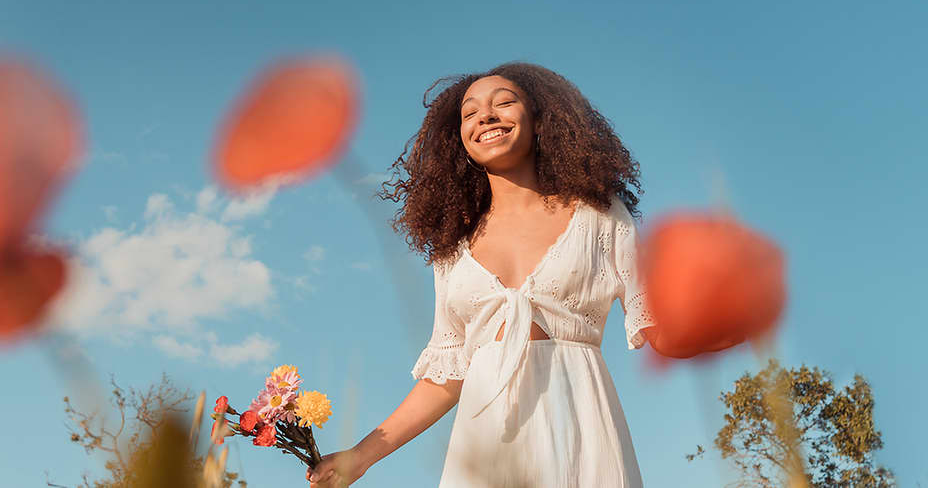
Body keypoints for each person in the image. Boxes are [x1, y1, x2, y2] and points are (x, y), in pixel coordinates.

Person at [307, 62, 740, 487]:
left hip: (580, 430)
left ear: (538, 121)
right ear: (460, 140)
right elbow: (445, 378)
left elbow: (659, 328)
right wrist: (359, 457)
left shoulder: (600, 216)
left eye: (504, 102)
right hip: (482, 445)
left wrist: (743, 316)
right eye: (470, 113)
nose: (485, 117)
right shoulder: (452, 251)